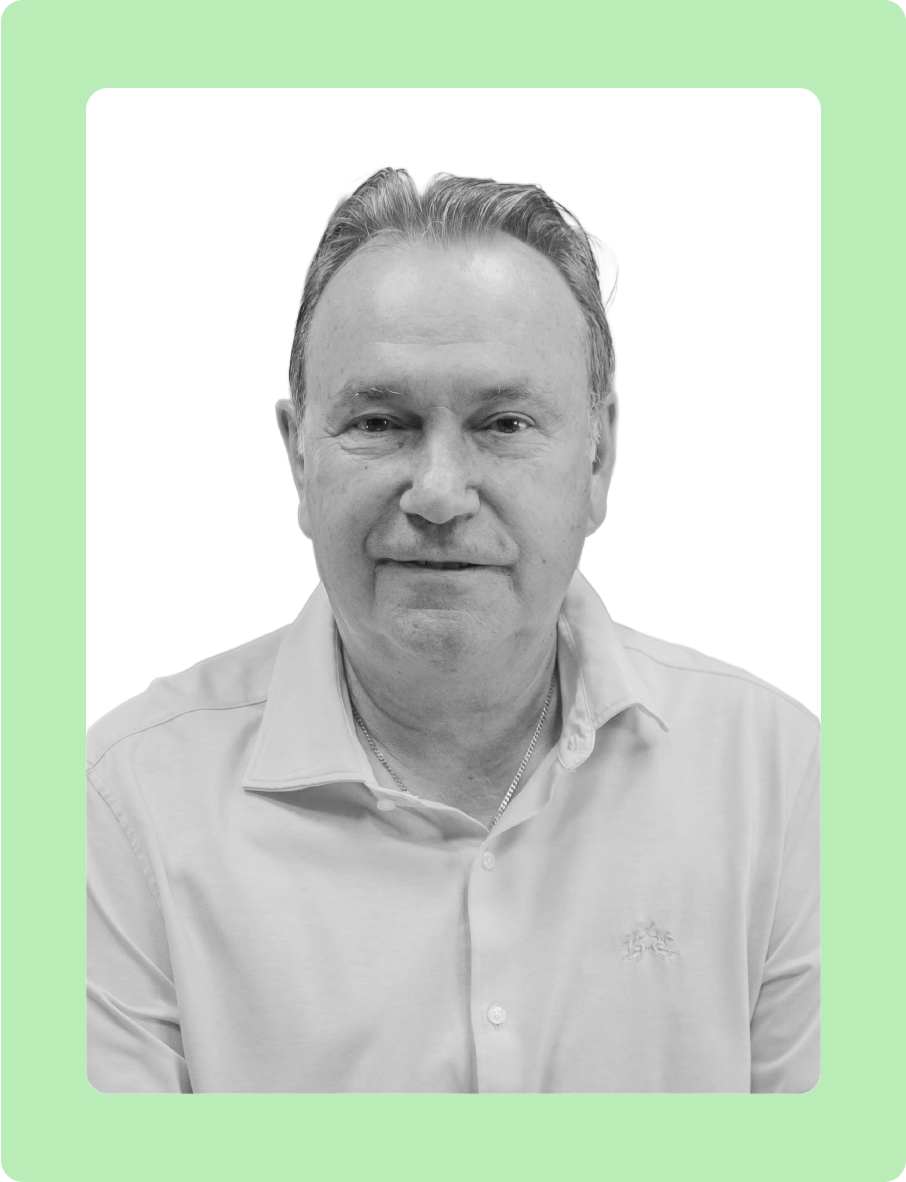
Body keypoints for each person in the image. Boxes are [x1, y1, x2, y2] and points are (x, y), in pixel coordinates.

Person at [87, 168, 819, 1094]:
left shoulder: (782, 782)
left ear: (599, 458)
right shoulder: (123, 812)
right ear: (298, 460)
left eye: (503, 422)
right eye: (379, 422)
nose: (437, 492)